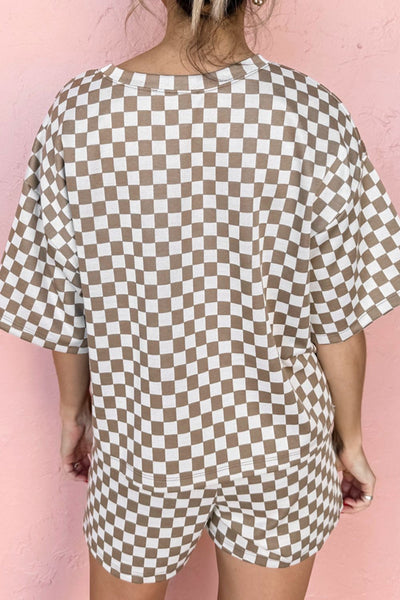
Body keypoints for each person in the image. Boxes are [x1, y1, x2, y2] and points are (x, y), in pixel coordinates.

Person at [0, 0, 399, 598]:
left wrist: (73, 413)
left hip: (144, 440)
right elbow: (338, 312)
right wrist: (352, 440)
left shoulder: (81, 112)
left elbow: (64, 301)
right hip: (278, 442)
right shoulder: (313, 112)